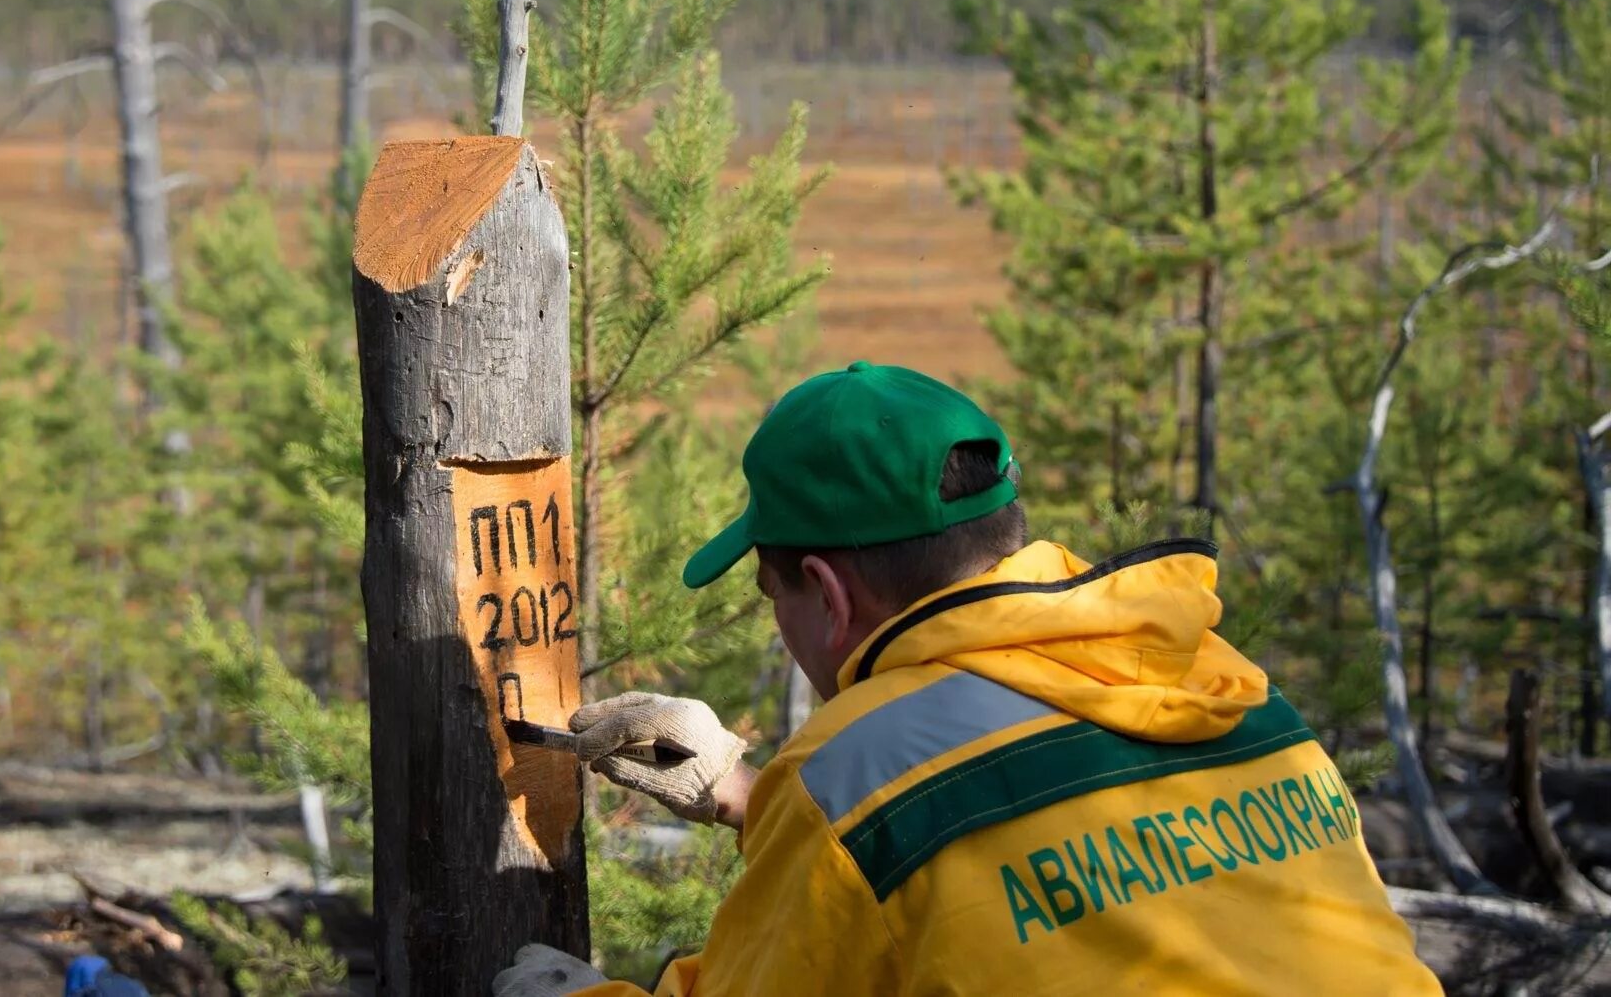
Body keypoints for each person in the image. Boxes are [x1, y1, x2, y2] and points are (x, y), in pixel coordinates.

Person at [493, 361, 1439, 997]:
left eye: (769, 589)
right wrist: (746, 790)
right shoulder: (1218, 680)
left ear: (825, 591)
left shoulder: (849, 780)